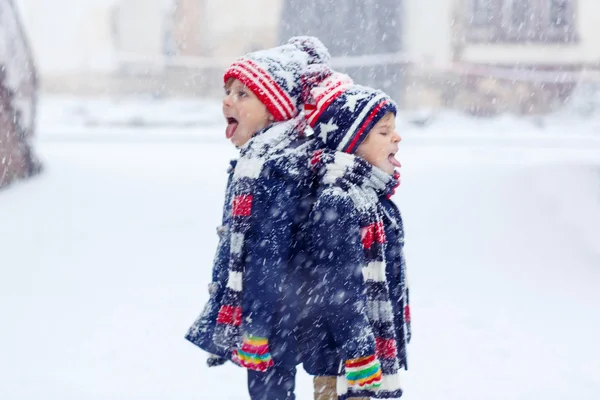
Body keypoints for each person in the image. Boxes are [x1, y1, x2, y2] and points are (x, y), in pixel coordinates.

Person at [185, 36, 331, 400]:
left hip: (280, 309)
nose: (227, 100)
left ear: (275, 110)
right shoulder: (263, 162)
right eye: (228, 91)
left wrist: (258, 324)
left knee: (270, 390)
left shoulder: (273, 170)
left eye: (242, 94)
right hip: (288, 303)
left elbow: (267, 252)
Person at [299, 73, 411, 400]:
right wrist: (360, 354)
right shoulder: (340, 200)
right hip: (342, 363)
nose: (397, 138)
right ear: (352, 142)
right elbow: (339, 290)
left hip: (361, 356)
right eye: (384, 131)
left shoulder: (372, 198)